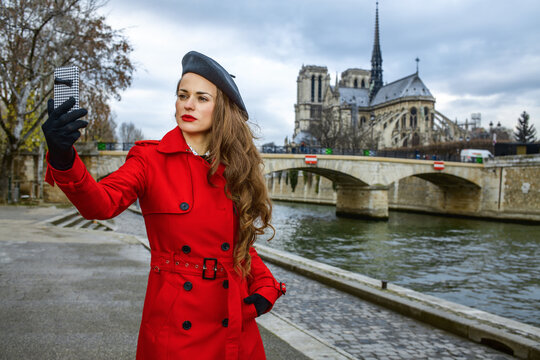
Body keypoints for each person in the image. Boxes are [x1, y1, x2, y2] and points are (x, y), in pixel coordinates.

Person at [41, 51, 286, 360]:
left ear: (222, 109)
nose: (188, 104)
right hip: (176, 326)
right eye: (183, 95)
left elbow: (237, 247)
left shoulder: (235, 169)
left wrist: (265, 286)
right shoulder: (149, 160)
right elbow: (99, 205)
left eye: (201, 98)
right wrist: (63, 156)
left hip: (233, 323)